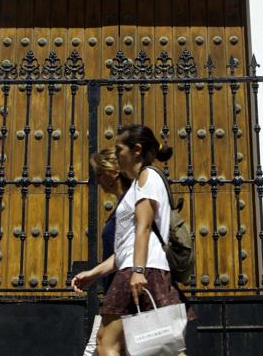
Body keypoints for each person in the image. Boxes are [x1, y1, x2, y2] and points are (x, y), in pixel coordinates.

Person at [72, 125, 189, 356]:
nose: (116, 155)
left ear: (136, 150)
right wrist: (93, 274)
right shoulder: (137, 185)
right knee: (159, 346)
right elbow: (126, 247)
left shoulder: (148, 175)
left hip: (144, 270)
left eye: (119, 149)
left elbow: (144, 228)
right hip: (137, 269)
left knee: (109, 343)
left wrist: (138, 271)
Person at [79, 147, 131, 356]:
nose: (98, 180)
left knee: (100, 346)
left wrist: (93, 274)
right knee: (97, 347)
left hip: (126, 290)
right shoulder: (123, 205)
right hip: (117, 290)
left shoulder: (130, 204)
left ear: (114, 172)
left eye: (100, 173)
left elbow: (126, 252)